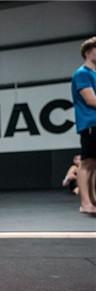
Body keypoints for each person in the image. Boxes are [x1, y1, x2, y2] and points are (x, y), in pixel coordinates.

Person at [71, 36, 96, 214]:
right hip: (90, 123)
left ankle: (93, 200)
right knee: (87, 163)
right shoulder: (82, 73)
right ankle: (85, 203)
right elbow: (91, 100)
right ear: (88, 52)